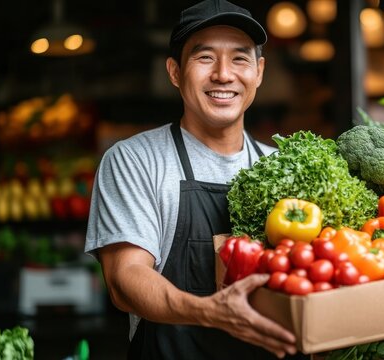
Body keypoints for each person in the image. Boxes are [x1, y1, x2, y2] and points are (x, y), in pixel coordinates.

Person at [85, 0, 304, 358]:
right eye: (205, 58)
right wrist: (211, 313)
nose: (223, 74)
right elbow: (124, 280)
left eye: (239, 58)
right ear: (174, 71)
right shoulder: (136, 160)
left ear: (259, 72)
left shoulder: (282, 166)